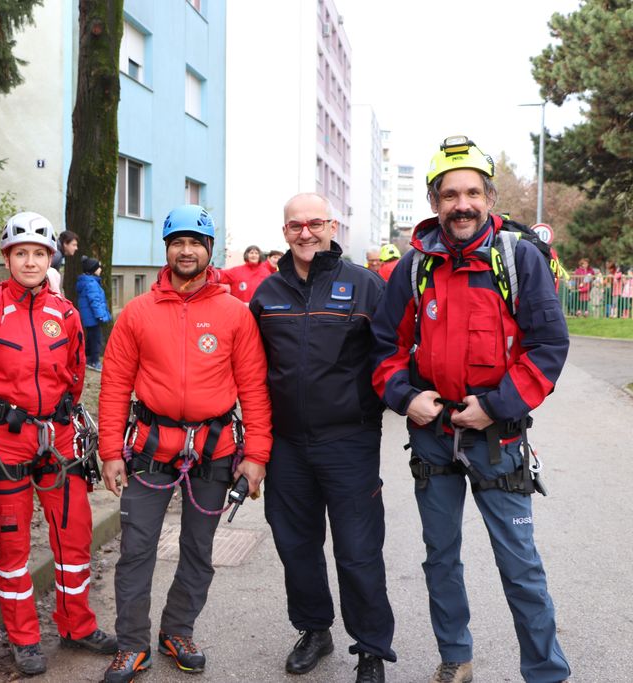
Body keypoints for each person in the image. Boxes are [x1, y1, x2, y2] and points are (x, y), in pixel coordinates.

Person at [371, 135, 571, 683]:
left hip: (497, 437)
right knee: (440, 558)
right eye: (450, 194)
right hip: (434, 435)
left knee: (521, 567)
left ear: (488, 197)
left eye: (472, 193)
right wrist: (406, 397)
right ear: (435, 201)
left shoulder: (518, 258)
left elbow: (548, 347)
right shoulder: (414, 267)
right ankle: (455, 659)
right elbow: (384, 348)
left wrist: (497, 405)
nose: (462, 204)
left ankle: (547, 673)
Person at [98, 204, 273, 683]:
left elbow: (255, 387)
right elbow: (114, 384)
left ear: (209, 250)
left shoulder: (235, 314)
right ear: (167, 250)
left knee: (199, 549)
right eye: (178, 242)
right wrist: (110, 450)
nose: (187, 250)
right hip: (151, 447)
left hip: (214, 449)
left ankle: (178, 630)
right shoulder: (137, 312)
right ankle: (132, 644)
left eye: (196, 243)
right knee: (137, 549)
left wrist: (255, 455)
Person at [0, 211, 116, 676]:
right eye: (21, 253)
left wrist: (62, 419)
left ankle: (77, 624)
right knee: (12, 549)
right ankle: (24, 638)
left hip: (59, 439)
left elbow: (73, 374)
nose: (30, 262)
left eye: (39, 254)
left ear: (51, 259)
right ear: (7, 258)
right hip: (4, 444)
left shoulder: (65, 314)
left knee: (75, 536)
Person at [250, 193, 394, 683]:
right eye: (295, 225)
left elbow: (390, 357)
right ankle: (314, 628)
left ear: (332, 225)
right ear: (284, 230)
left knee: (357, 549)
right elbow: (252, 371)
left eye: (314, 223)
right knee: (296, 544)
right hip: (287, 444)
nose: (305, 232)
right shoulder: (266, 294)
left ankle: (371, 648)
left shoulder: (365, 285)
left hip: (348, 442)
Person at [76, 255, 112, 371]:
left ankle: (88, 359)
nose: (101, 269)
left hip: (89, 317)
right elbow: (95, 301)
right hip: (93, 317)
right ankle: (95, 361)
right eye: (99, 267)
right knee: (96, 339)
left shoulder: (88, 282)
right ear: (93, 269)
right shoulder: (91, 284)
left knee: (91, 338)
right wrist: (100, 315)